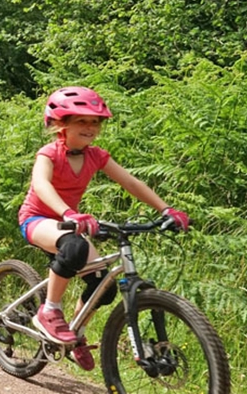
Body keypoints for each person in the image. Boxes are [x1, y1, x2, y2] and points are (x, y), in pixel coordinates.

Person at [17, 86, 190, 371]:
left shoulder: (96, 156)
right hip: (37, 219)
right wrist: (68, 213)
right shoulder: (49, 153)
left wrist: (166, 209)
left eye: (95, 122)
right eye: (82, 121)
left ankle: (76, 335)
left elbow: (131, 183)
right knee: (75, 246)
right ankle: (49, 310)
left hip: (69, 221)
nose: (90, 127)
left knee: (104, 286)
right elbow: (41, 185)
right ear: (62, 124)